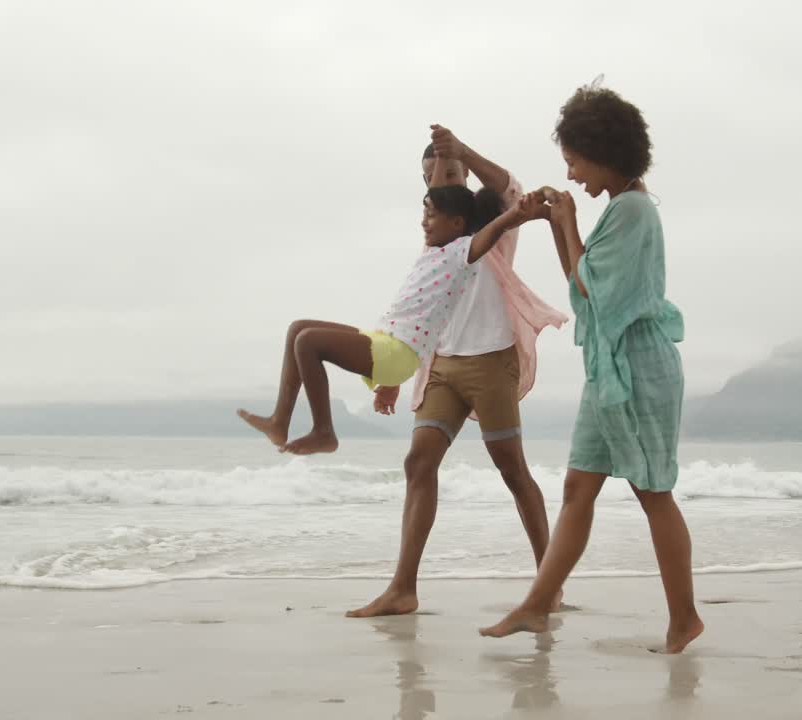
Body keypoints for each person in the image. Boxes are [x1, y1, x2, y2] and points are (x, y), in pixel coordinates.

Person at [480, 85, 705, 654]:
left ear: (604, 151)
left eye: (575, 161)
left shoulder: (632, 211)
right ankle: (536, 605)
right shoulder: (623, 208)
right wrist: (558, 223)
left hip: (639, 369)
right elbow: (581, 285)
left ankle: (685, 620)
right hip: (611, 369)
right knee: (579, 486)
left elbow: (596, 292)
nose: (573, 174)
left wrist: (570, 220)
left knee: (653, 491)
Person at [346, 127, 567, 618]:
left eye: (444, 172)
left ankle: (549, 584)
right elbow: (415, 313)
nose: (434, 183)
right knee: (418, 464)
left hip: (491, 359)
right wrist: (393, 374)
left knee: (512, 471)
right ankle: (403, 588)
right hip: (442, 364)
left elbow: (512, 190)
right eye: (426, 178)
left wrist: (460, 151)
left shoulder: (494, 225)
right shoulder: (435, 239)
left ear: (464, 175)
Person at [236, 182, 527, 455]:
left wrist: (518, 212)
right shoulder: (434, 253)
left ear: (457, 223)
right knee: (297, 328)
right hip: (385, 339)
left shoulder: (462, 253)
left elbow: (490, 233)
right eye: (424, 214)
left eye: (432, 215)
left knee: (308, 343)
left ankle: (323, 431)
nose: (424, 221)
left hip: (397, 352)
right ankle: (279, 422)